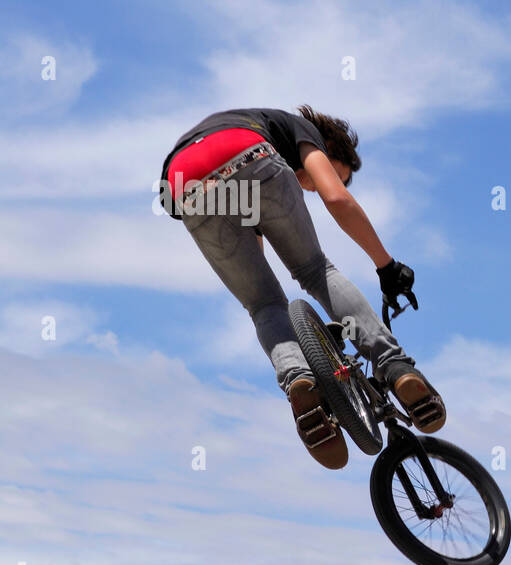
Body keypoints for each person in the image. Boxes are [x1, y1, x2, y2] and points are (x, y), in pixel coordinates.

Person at [159, 105, 445, 470]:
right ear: (326, 148)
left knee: (263, 304)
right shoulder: (302, 129)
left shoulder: (247, 122)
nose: (308, 185)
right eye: (320, 175)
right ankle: (395, 365)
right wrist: (386, 266)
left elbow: (247, 232)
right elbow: (337, 199)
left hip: (182, 184)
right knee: (314, 270)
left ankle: (299, 383)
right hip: (250, 154)